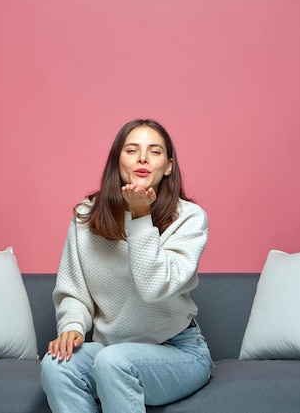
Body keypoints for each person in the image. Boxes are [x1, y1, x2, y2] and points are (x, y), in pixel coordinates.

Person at [39, 118, 214, 413]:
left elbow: (153, 287)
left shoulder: (190, 218)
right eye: (132, 150)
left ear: (168, 166)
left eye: (155, 152)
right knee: (56, 366)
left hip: (179, 352)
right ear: (117, 161)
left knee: (113, 361)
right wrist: (72, 326)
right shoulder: (86, 215)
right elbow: (74, 291)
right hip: (112, 352)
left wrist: (140, 217)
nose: (143, 158)